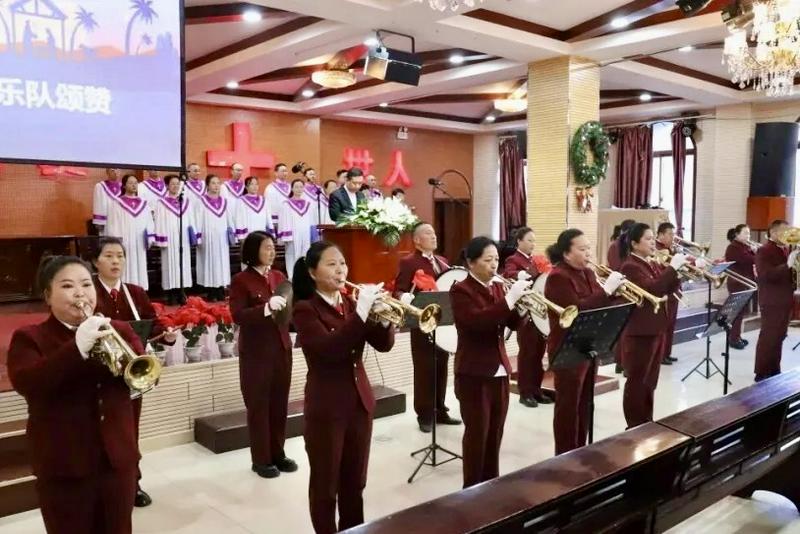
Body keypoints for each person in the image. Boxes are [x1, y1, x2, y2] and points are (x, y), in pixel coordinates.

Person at [8, 256, 144, 533]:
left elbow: (139, 379)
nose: (80, 293)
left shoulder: (118, 329)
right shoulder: (29, 338)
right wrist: (76, 348)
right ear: (47, 295)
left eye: (86, 284)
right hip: (64, 464)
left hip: (116, 461)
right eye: (67, 286)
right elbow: (29, 383)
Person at [292, 241, 395, 533]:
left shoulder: (350, 303)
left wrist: (381, 317)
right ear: (313, 272)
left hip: (359, 402)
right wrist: (361, 315)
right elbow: (329, 349)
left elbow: (383, 345)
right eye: (331, 264)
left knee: (354, 482)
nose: (340, 270)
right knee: (326, 486)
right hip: (327, 406)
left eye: (343, 264)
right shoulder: (305, 309)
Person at [91, 237, 177, 508]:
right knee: (100, 433)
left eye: (120, 256)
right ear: (95, 261)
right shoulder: (88, 291)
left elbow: (152, 324)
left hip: (132, 376)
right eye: (109, 256)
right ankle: (101, 487)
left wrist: (168, 336)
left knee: (130, 432)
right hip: (98, 376)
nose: (116, 261)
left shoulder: (136, 292)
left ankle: (132, 484)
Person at [450, 236, 524, 488]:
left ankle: (490, 486)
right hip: (474, 371)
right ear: (471, 263)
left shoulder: (496, 287)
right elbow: (478, 322)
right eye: (488, 260)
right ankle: (471, 490)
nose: (494, 265)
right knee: (477, 435)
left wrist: (521, 307)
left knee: (495, 432)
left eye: (496, 260)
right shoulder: (461, 290)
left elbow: (511, 323)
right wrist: (509, 300)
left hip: (500, 369)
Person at [544, 229, 622, 454]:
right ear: (566, 254)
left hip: (589, 346)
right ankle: (565, 454)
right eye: (582, 249)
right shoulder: (558, 276)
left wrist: (616, 293)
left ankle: (581, 449)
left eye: (589, 248)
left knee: (585, 403)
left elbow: (599, 304)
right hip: (568, 349)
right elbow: (577, 311)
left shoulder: (588, 273)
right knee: (568, 406)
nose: (588, 253)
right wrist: (606, 290)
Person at [229, 231, 297, 479]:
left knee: (280, 404)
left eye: (273, 247)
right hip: (257, 352)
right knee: (259, 406)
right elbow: (238, 315)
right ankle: (261, 459)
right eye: (266, 247)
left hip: (281, 348)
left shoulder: (279, 276)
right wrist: (266, 308)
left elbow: (289, 309)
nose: (272, 251)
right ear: (253, 251)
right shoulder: (241, 280)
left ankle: (278, 452)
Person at [394, 223, 461, 432]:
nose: (433, 236)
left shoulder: (443, 262)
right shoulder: (408, 262)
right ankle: (424, 414)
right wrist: (404, 297)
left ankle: (440, 409)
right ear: (416, 240)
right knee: (424, 368)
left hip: (442, 323)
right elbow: (398, 290)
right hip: (422, 323)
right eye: (427, 233)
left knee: (441, 366)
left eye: (434, 232)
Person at [619, 223, 684, 428]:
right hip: (640, 331)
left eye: (652, 237)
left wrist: (678, 273)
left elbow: (666, 287)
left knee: (650, 380)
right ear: (634, 243)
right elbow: (654, 289)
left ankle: (646, 419)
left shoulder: (651, 263)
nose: (652, 242)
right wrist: (672, 268)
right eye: (647, 239)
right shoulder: (631, 266)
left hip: (656, 327)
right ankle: (634, 423)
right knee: (638, 380)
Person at [501, 226, 552, 408]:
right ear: (519, 241)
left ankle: (537, 389)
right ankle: (525, 391)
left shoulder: (537, 260)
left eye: (534, 240)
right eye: (529, 240)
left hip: (539, 311)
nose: (533, 244)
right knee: (527, 353)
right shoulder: (513, 259)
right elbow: (508, 274)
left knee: (539, 352)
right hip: (525, 312)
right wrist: (521, 274)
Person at [754, 219, 794, 381]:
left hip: (784, 299)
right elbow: (765, 275)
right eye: (785, 232)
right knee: (769, 337)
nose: (788, 235)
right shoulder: (764, 250)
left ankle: (774, 368)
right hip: (771, 301)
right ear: (774, 233)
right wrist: (788, 265)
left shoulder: (784, 249)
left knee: (779, 336)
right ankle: (761, 372)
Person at [154, 175, 198, 305]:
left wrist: (193, 235)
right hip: (169, 238)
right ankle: (171, 293)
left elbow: (191, 220)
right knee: (170, 264)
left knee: (183, 264)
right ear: (167, 186)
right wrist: (161, 238)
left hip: (183, 237)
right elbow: (159, 221)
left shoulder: (185, 202)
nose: (175, 186)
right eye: (172, 184)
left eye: (177, 184)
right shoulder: (161, 203)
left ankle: (182, 291)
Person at [105, 174, 154, 290]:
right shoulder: (117, 203)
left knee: (140, 265)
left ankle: (140, 291)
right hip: (124, 241)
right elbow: (112, 223)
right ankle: (125, 291)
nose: (134, 185)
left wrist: (150, 237)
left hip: (140, 241)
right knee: (125, 265)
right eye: (130, 183)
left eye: (135, 183)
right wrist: (116, 242)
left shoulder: (144, 204)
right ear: (124, 185)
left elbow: (149, 222)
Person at [196, 175, 234, 302]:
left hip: (222, 237)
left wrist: (231, 232)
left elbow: (229, 220)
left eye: (218, 183)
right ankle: (211, 291)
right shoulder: (201, 201)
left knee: (222, 263)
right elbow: (197, 220)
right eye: (213, 183)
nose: (216, 186)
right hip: (208, 236)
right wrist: (199, 237)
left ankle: (221, 289)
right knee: (210, 262)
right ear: (207, 185)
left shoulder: (224, 201)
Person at [725, 224, 757, 350]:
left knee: (741, 312)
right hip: (737, 283)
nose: (748, 236)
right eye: (745, 233)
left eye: (749, 233)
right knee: (736, 312)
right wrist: (755, 253)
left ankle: (737, 335)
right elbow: (748, 260)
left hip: (746, 282)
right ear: (737, 235)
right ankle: (733, 339)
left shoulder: (745, 246)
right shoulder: (733, 247)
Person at [278, 179, 315, 278]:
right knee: (291, 254)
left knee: (305, 254)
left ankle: (303, 276)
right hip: (292, 235)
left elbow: (311, 221)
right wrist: (286, 236)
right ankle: (292, 277)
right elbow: (284, 221)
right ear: (292, 188)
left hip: (305, 234)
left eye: (301, 187)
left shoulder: (308, 204)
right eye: (296, 187)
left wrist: (312, 235)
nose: (299, 189)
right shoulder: (286, 204)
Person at [655, 222, 679, 365]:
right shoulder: (658, 250)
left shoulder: (670, 249)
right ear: (661, 234)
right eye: (670, 234)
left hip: (674, 290)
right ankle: (661, 354)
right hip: (665, 292)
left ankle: (667, 352)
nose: (673, 237)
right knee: (664, 325)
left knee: (671, 325)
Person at [235, 176, 273, 242]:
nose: (255, 186)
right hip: (248, 234)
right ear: (246, 187)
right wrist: (242, 236)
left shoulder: (263, 200)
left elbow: (268, 218)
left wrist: (271, 232)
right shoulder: (241, 201)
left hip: (262, 233)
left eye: (256, 184)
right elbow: (239, 219)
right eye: (252, 184)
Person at [92, 168, 123, 235]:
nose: (115, 172)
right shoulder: (100, 186)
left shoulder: (123, 187)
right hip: (107, 222)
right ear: (107, 172)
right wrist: (99, 222)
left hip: (121, 221)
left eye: (117, 170)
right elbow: (98, 205)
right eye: (112, 170)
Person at [265, 163, 291, 231]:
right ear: (276, 173)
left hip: (289, 220)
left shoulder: (291, 187)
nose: (285, 173)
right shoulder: (270, 188)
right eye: (282, 171)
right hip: (276, 221)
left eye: (286, 171)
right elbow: (268, 205)